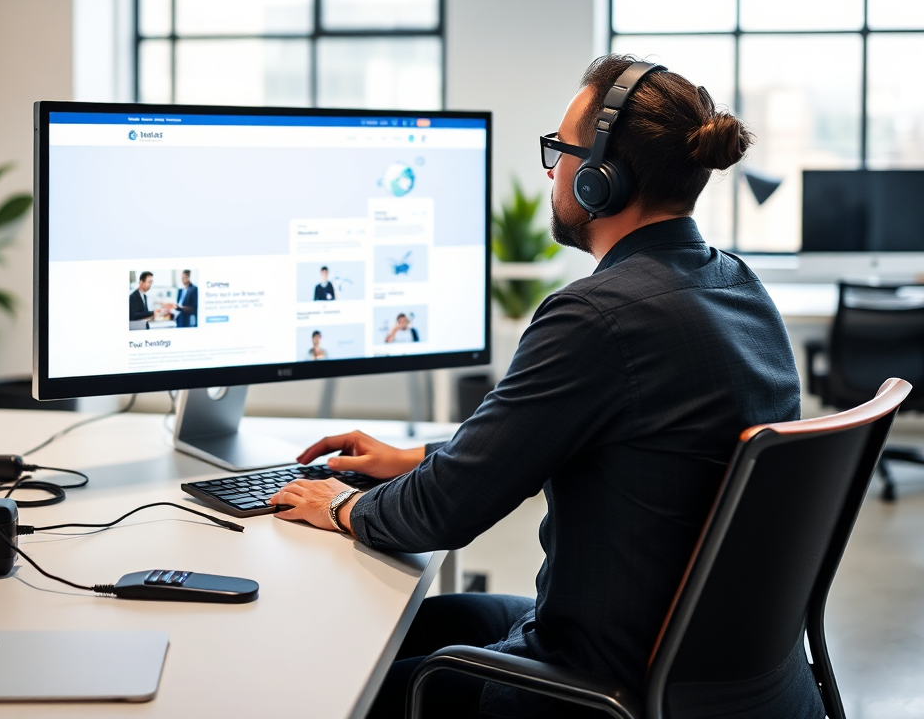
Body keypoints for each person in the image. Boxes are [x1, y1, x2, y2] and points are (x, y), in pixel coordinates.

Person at [269, 55, 820, 719]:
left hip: (604, 688)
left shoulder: (599, 315)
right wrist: (415, 458)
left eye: (560, 152)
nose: (553, 169)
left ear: (601, 179)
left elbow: (443, 515)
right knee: (426, 622)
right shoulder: (735, 285)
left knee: (340, 690)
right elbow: (553, 434)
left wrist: (339, 506)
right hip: (720, 673)